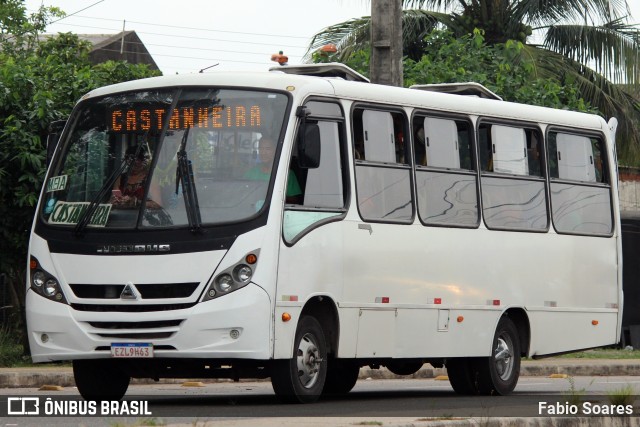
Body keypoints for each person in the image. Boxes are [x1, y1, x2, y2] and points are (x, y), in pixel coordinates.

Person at [244, 135, 302, 204]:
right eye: (261, 148)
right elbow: (242, 194)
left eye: (268, 149)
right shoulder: (251, 173)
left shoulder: (287, 174)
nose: (263, 153)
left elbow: (295, 200)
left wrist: (274, 196)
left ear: (276, 151)